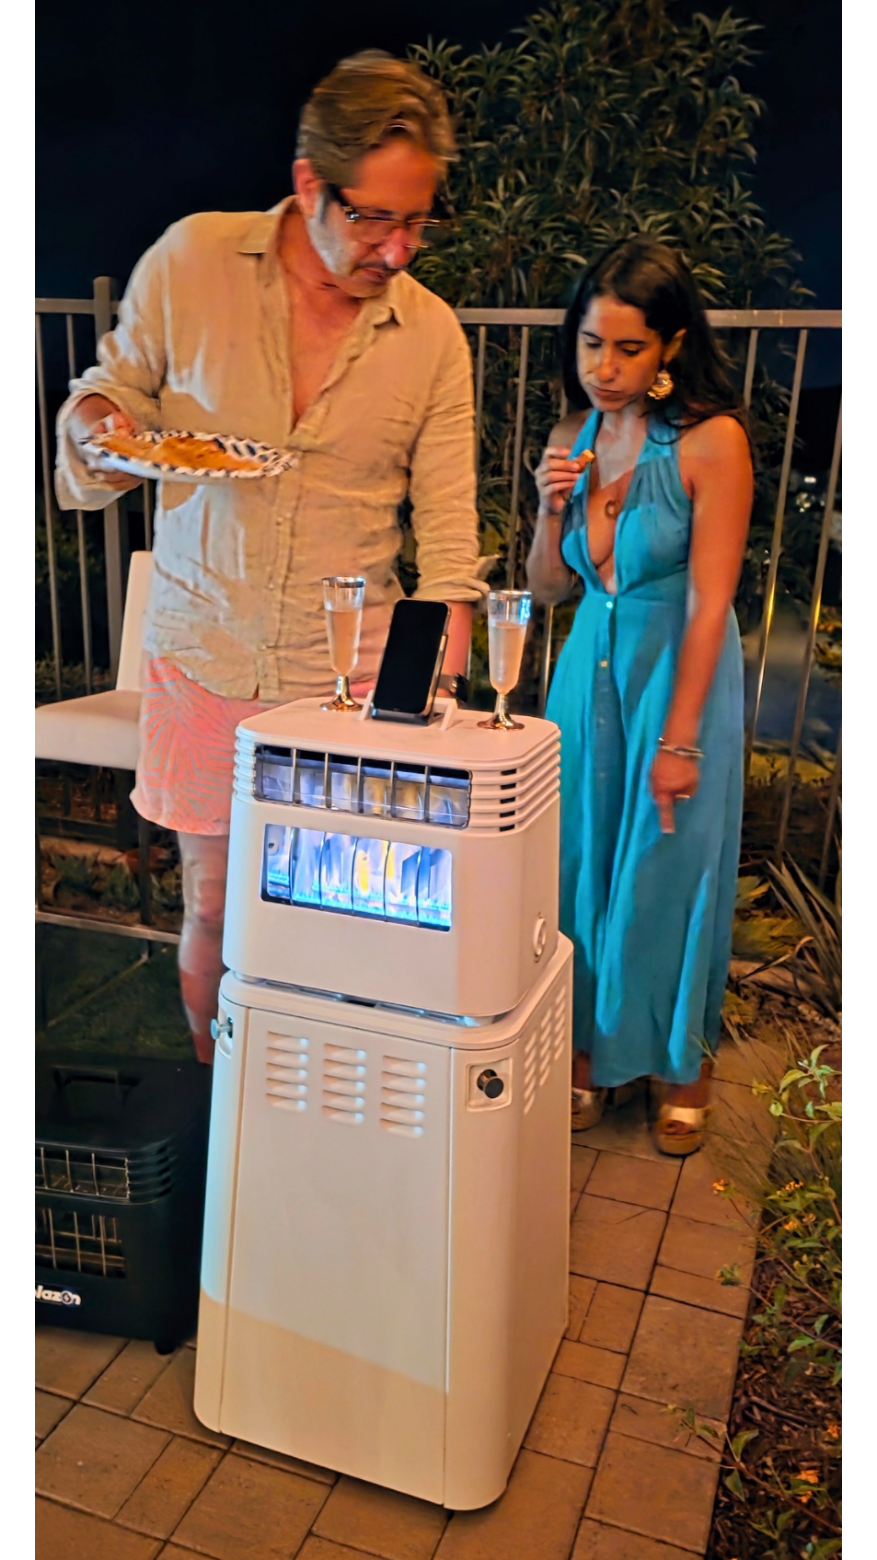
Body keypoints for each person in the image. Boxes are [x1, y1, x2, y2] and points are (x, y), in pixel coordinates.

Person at [54, 52, 485, 1064]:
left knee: (353, 926)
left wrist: (450, 637)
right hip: (205, 645)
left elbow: (451, 529)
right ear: (307, 183)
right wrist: (101, 428)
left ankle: (334, 1120)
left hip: (349, 671)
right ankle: (228, 1114)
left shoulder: (430, 335)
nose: (398, 250)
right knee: (215, 908)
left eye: (418, 221)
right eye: (374, 218)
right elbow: (108, 394)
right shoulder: (194, 260)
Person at [527, 238, 752, 1156]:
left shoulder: (711, 441)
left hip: (678, 673)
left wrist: (682, 736)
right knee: (577, 860)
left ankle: (680, 1066)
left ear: (668, 347)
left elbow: (710, 602)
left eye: (626, 348)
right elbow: (547, 590)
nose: (604, 368)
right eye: (590, 345)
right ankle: (587, 1053)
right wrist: (548, 510)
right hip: (587, 673)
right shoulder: (566, 442)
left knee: (669, 866)